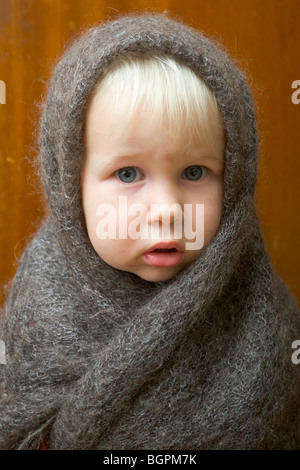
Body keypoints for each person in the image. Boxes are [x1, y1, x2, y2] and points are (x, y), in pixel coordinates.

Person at [0, 12, 299, 450]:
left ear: (234, 180)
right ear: (71, 185)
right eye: (127, 174)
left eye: (195, 171)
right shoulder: (38, 311)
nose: (165, 211)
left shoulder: (265, 319)